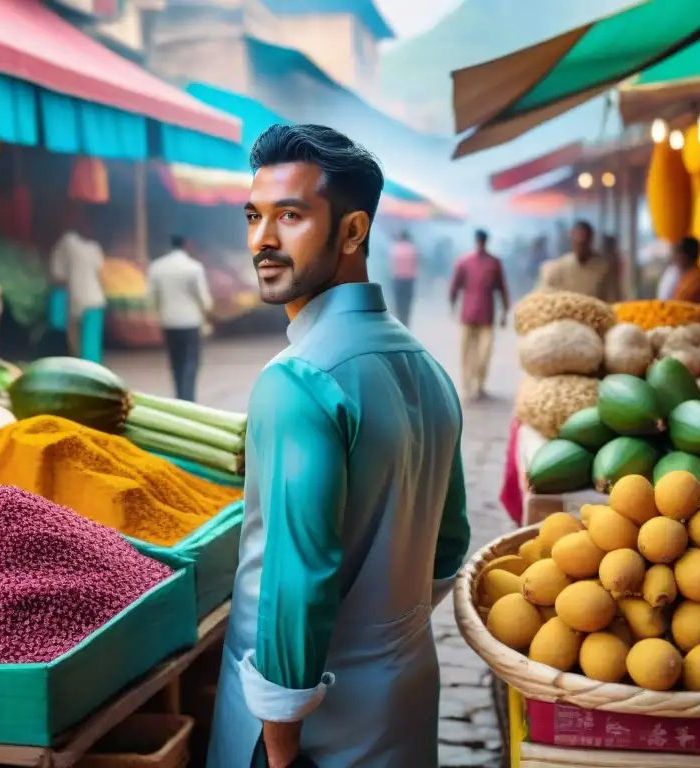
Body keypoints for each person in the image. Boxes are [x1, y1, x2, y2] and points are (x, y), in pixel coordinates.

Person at [208, 124, 469, 768]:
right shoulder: (429, 369)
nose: (262, 241)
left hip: (311, 737)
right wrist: (382, 625)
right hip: (404, 702)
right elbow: (449, 544)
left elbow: (294, 578)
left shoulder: (297, 381)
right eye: (254, 216)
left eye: (290, 216)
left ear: (353, 232)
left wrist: (280, 741)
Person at [146, 235, 213, 402]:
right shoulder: (194, 267)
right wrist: (208, 312)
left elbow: (151, 297)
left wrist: (157, 314)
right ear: (186, 245)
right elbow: (203, 298)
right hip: (191, 323)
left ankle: (179, 397)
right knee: (190, 363)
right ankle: (188, 398)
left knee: (175, 363)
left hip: (169, 322)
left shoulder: (156, 267)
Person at [449, 229, 509, 401]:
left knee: (485, 352)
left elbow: (502, 288)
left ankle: (480, 384)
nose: (481, 244)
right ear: (476, 241)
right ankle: (467, 384)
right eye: (479, 241)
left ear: (486, 242)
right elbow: (455, 286)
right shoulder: (464, 262)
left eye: (483, 241)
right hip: (468, 313)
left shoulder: (494, 263)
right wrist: (453, 305)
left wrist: (505, 311)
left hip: (487, 314)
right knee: (467, 351)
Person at [50, 218, 106, 359]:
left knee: (76, 341)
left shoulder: (69, 241)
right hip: (96, 300)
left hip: (77, 299)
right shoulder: (95, 248)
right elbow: (100, 272)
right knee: (91, 342)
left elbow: (57, 273)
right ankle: (92, 370)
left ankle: (82, 369)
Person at [538, 220, 621, 302]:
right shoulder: (560, 266)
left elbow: (613, 297)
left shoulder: (603, 268)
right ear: (571, 240)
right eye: (577, 242)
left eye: (583, 242)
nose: (580, 247)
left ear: (590, 240)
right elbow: (544, 292)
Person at [670, 236, 700, 304]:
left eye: (676, 252)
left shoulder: (699, 281)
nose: (673, 257)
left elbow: (679, 308)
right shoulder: (688, 278)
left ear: (683, 256)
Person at [388, 230, 418, 326]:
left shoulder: (394, 248)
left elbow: (391, 265)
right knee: (407, 303)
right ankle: (406, 322)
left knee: (398, 302)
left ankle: (399, 321)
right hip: (409, 280)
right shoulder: (413, 249)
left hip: (397, 279)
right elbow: (417, 264)